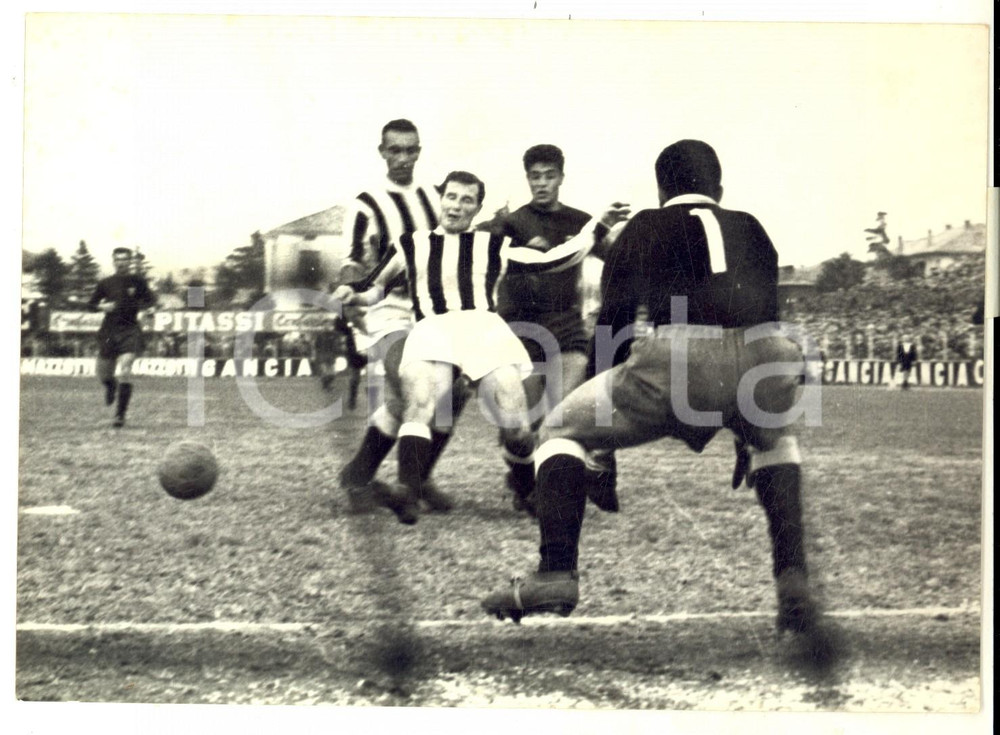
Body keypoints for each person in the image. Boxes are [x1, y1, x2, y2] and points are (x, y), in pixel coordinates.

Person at [481, 140, 819, 636]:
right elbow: (762, 316)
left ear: (662, 188)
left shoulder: (645, 225)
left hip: (681, 356)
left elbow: (614, 323)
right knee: (777, 441)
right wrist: (749, 418)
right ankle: (794, 581)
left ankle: (555, 572)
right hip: (768, 356)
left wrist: (601, 433)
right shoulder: (751, 226)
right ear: (718, 189)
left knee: (556, 431)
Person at [334, 170, 628, 525]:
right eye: (451, 197)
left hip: (484, 332)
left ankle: (528, 488)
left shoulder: (493, 246)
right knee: (420, 404)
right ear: (441, 199)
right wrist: (353, 293)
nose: (456, 206)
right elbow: (374, 289)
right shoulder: (411, 244)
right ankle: (407, 495)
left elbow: (556, 260)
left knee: (517, 428)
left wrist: (596, 225)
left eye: (467, 200)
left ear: (476, 209)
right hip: (433, 329)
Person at [335, 119, 463, 511]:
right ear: (383, 152)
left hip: (433, 311)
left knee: (451, 392)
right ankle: (408, 485)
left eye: (410, 150)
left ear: (419, 152)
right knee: (419, 383)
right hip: (386, 310)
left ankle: (367, 475)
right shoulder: (366, 204)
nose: (403, 158)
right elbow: (352, 262)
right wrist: (350, 304)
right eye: (395, 150)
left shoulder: (434, 196)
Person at [494, 144, 629, 514]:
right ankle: (522, 480)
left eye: (548, 176)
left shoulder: (580, 222)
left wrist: (627, 242)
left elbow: (616, 255)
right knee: (523, 427)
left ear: (561, 178)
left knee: (562, 414)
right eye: (535, 176)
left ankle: (545, 489)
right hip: (519, 329)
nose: (541, 183)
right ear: (527, 179)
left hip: (566, 326)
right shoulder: (510, 224)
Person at [87, 247, 157, 428]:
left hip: (130, 329)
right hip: (109, 331)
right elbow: (91, 305)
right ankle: (110, 385)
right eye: (118, 259)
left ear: (129, 262)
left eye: (125, 259)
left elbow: (150, 300)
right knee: (104, 375)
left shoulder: (138, 281)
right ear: (113, 261)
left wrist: (150, 308)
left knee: (125, 369)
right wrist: (103, 307)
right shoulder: (105, 283)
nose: (121, 262)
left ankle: (120, 416)